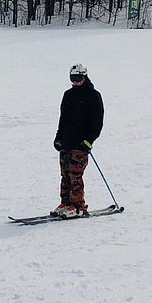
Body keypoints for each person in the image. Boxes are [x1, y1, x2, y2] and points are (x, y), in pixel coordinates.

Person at [52, 63, 104, 218]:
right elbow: (63, 119)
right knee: (65, 174)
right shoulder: (68, 95)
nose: (75, 82)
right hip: (66, 142)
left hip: (81, 144)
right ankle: (66, 203)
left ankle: (78, 206)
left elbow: (97, 122)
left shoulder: (94, 96)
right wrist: (58, 137)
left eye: (78, 78)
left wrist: (88, 141)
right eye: (72, 79)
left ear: (85, 76)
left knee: (75, 174)